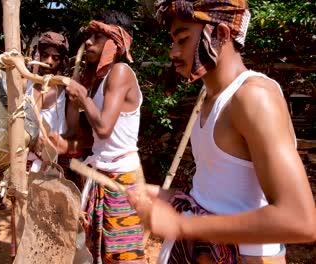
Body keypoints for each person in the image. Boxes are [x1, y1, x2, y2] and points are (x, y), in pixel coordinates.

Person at [127, 1, 316, 263]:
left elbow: (300, 220)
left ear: (221, 34)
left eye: (182, 39)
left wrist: (183, 226)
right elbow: (224, 192)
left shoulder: (253, 97)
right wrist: (168, 197)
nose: (173, 53)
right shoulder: (209, 97)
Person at [55, 11, 145, 263]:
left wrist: (83, 97)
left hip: (122, 177)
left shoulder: (120, 72)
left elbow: (104, 128)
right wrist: (73, 104)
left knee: (123, 257)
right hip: (99, 175)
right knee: (99, 254)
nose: (88, 43)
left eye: (97, 37)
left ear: (115, 44)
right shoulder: (96, 81)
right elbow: (79, 134)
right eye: (89, 36)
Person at [26, 31, 85, 189]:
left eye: (55, 57)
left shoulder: (66, 91)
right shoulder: (26, 86)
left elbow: (72, 130)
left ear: (62, 61)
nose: (49, 61)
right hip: (30, 161)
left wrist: (54, 141)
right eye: (45, 55)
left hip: (58, 159)